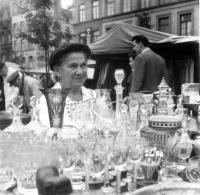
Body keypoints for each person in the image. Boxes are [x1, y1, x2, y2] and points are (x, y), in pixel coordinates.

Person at [39, 43, 96, 127]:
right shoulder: (48, 101)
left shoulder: (94, 96)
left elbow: (108, 127)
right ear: (58, 71)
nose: (80, 72)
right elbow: (55, 134)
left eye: (83, 65)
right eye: (73, 66)